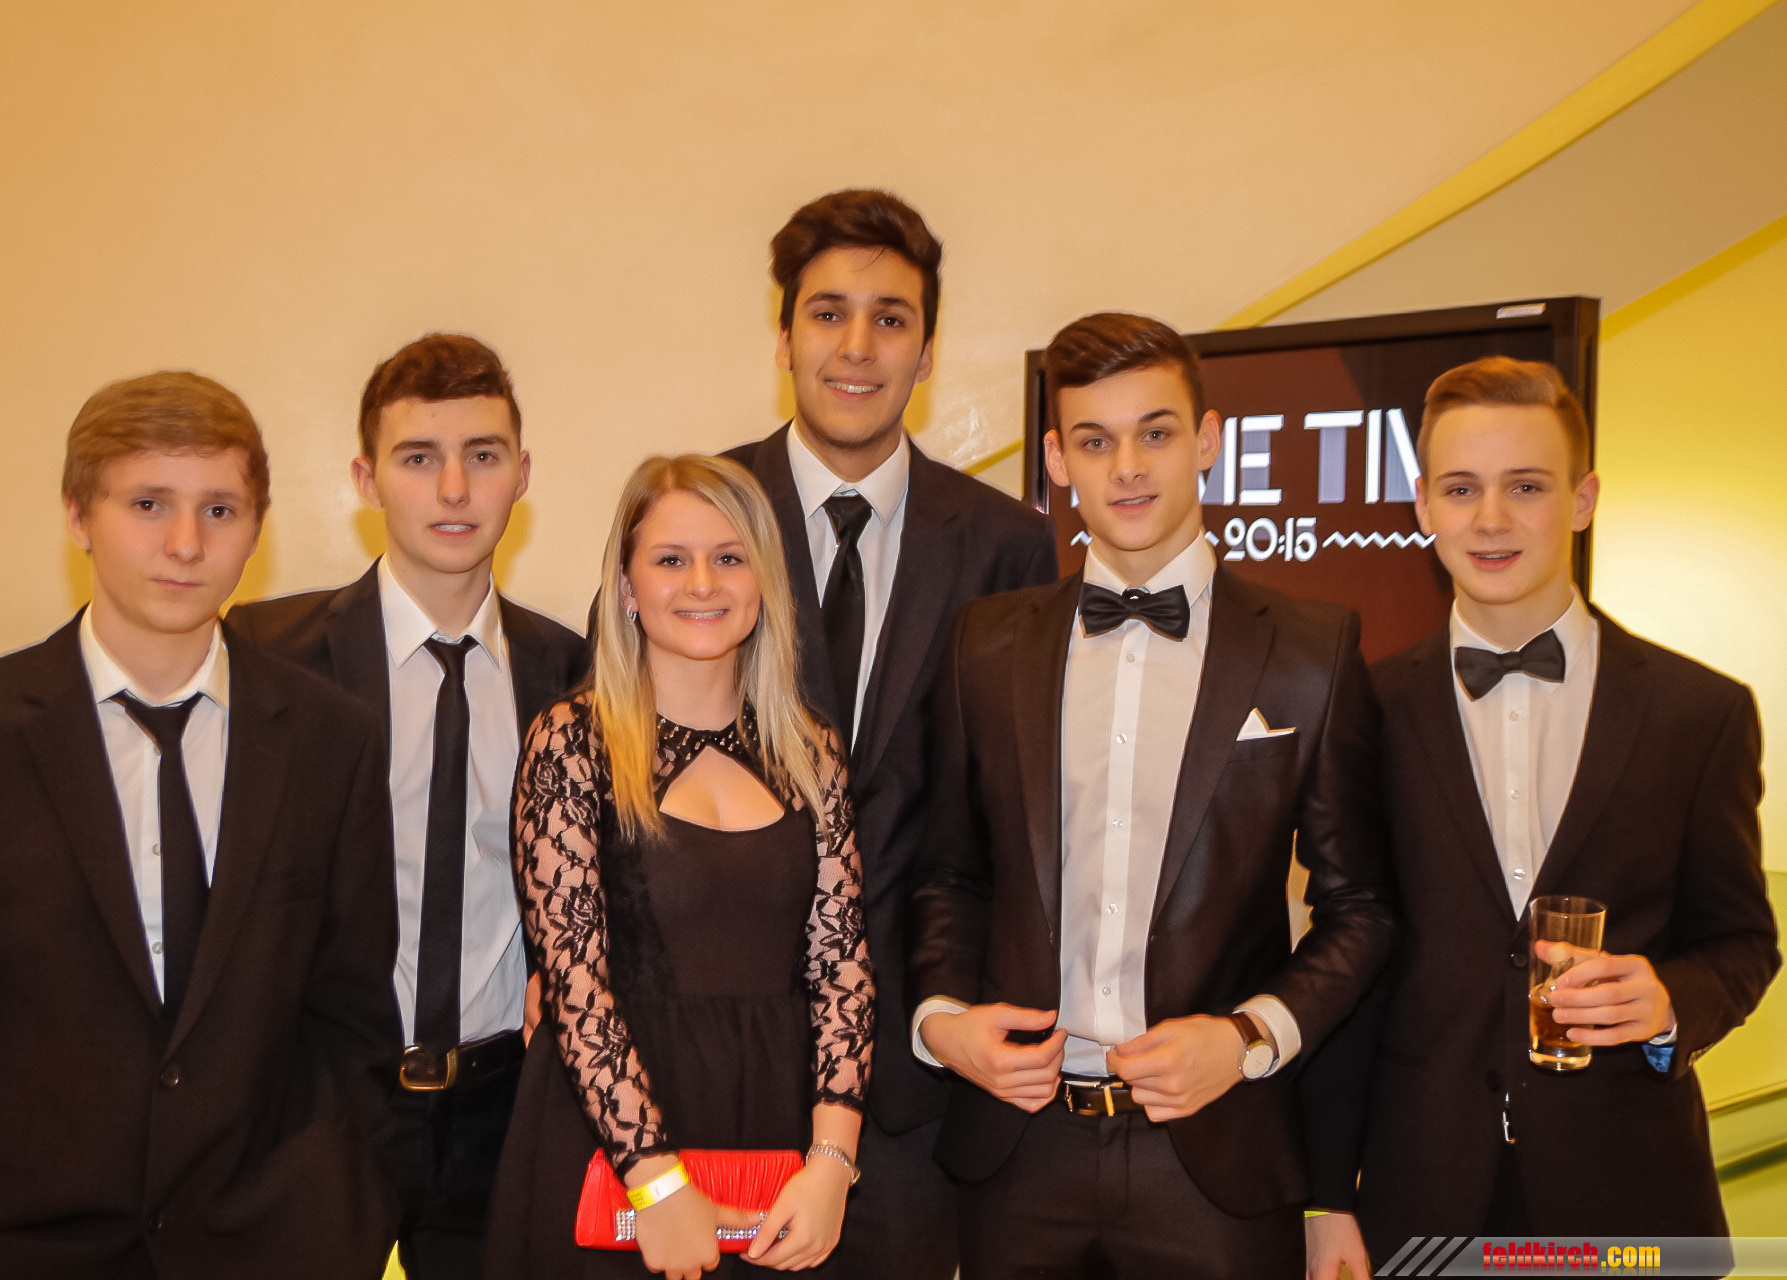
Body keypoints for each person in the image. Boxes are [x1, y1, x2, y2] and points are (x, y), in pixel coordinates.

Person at [0, 372, 401, 1279]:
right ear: (79, 515)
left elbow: (352, 1019)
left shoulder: (331, 739)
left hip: (264, 1252)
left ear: (257, 528)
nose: (186, 543)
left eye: (220, 510)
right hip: (14, 1254)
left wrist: (342, 1221)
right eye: (148, 503)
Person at [911, 312, 1395, 1279]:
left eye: (1156, 433)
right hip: (1018, 1154)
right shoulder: (984, 643)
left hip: (1215, 1155)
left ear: (1208, 440)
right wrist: (944, 1020)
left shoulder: (1313, 649)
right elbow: (948, 877)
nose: (1128, 468)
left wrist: (1248, 1037)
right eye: (1095, 441)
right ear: (1058, 459)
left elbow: (1363, 909)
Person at [1302, 357, 1780, 1279]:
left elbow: (1741, 942)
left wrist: (1668, 1001)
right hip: (1418, 1196)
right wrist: (1327, 1197)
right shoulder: (1362, 708)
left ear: (1582, 499)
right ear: (1423, 506)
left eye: (1525, 486)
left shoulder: (1700, 713)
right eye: (1460, 489)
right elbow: (1346, 959)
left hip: (1629, 1200)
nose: (1490, 519)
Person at [723, 188, 1056, 1280]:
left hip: (913, 1088)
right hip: (716, 1066)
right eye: (827, 313)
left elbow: (1016, 818)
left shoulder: (1008, 546)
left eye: (891, 317)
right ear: (783, 337)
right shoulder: (697, 518)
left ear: (927, 348)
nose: (857, 346)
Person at [227, 334, 588, 1279]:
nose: (455, 490)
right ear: (367, 479)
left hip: (506, 1107)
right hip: (326, 1100)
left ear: (522, 475)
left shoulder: (572, 672)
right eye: (419, 458)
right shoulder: (264, 658)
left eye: (483, 455)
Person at [482, 454, 875, 1279]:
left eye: (730, 557)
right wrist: (657, 1186)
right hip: (611, 1144)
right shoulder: (571, 742)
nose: (702, 583)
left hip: (781, 1143)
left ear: (763, 582)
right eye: (671, 559)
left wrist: (833, 1165)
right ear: (628, 588)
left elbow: (841, 968)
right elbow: (574, 985)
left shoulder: (811, 751)